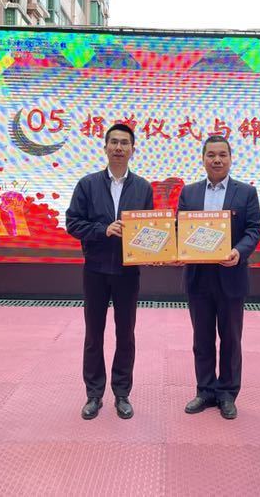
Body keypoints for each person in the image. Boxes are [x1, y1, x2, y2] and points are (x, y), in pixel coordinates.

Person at [65, 123, 154, 420]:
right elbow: (73, 223)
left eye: (124, 143)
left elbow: (149, 229)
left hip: (128, 272)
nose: (118, 147)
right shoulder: (87, 184)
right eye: (113, 142)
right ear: (105, 148)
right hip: (95, 270)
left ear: (132, 150)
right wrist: (103, 230)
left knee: (126, 334)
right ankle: (93, 395)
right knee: (94, 334)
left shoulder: (143, 187)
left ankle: (122, 393)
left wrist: (155, 251)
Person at [177, 135, 260, 419]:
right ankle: (204, 390)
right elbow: (179, 229)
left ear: (230, 158)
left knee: (230, 339)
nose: (216, 160)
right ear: (203, 159)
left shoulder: (246, 192)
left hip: (231, 275)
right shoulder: (189, 193)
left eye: (222, 155)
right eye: (211, 155)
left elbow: (254, 229)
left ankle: (227, 393)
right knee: (201, 338)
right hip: (198, 277)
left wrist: (239, 251)